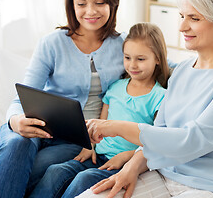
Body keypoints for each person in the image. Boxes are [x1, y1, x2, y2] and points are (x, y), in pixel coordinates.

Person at [82, 0, 213, 198]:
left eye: (194, 18)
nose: (181, 26)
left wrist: (116, 126)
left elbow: (192, 140)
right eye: (181, 16)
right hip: (164, 173)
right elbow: (161, 131)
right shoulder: (183, 70)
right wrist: (133, 166)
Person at [0, 0, 126, 198]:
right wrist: (15, 121)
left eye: (100, 2)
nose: (91, 11)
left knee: (33, 172)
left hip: (72, 140)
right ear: (72, 5)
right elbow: (23, 96)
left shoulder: (125, 45)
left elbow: (162, 63)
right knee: (18, 143)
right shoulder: (52, 43)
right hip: (32, 127)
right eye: (81, 3)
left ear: (112, 2)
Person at [28, 22, 169, 198]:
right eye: (127, 57)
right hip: (97, 155)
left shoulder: (160, 97)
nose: (132, 65)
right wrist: (91, 145)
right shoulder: (115, 87)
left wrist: (127, 156)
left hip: (124, 163)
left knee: (84, 178)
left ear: (157, 58)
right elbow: (100, 125)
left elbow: (158, 140)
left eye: (140, 59)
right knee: (56, 171)